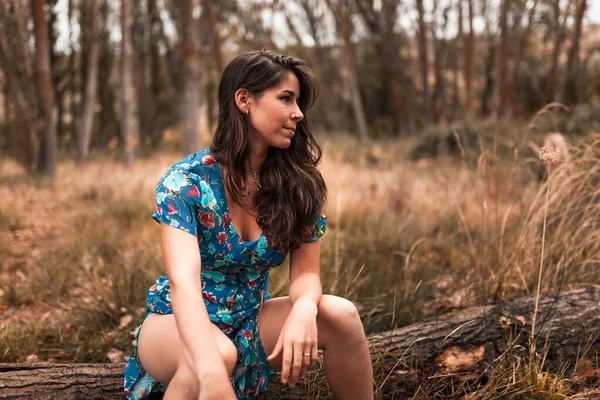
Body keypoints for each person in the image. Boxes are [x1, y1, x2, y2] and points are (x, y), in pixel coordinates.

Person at [123, 49, 374, 400]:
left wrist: (303, 308)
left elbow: (306, 274)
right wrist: (212, 373)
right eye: (286, 98)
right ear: (244, 100)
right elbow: (183, 282)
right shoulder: (186, 181)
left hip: (250, 320)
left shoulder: (300, 184)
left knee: (342, 316)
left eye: (299, 101)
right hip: (176, 322)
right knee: (214, 356)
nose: (298, 113)